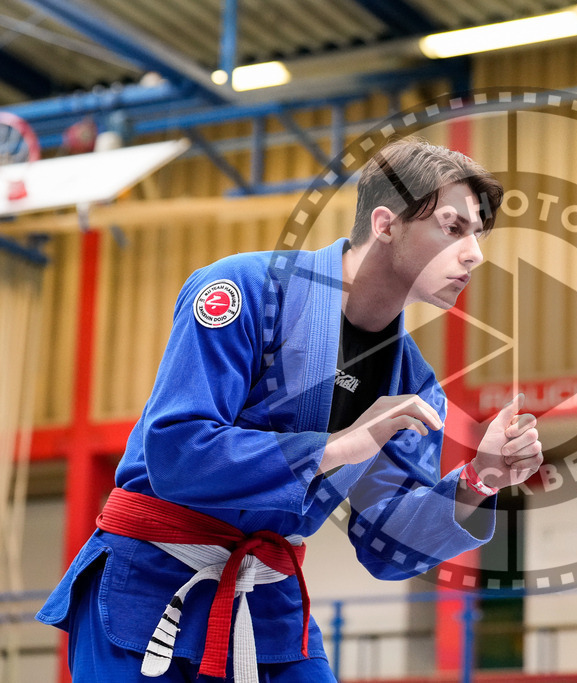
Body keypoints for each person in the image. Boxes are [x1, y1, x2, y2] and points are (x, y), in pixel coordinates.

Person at [37, 137, 544, 681]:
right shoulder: (242, 291)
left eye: (479, 235)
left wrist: (479, 479)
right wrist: (335, 447)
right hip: (151, 583)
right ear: (386, 224)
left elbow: (385, 547)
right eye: (453, 227)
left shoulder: (411, 383)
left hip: (266, 602)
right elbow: (177, 452)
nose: (475, 254)